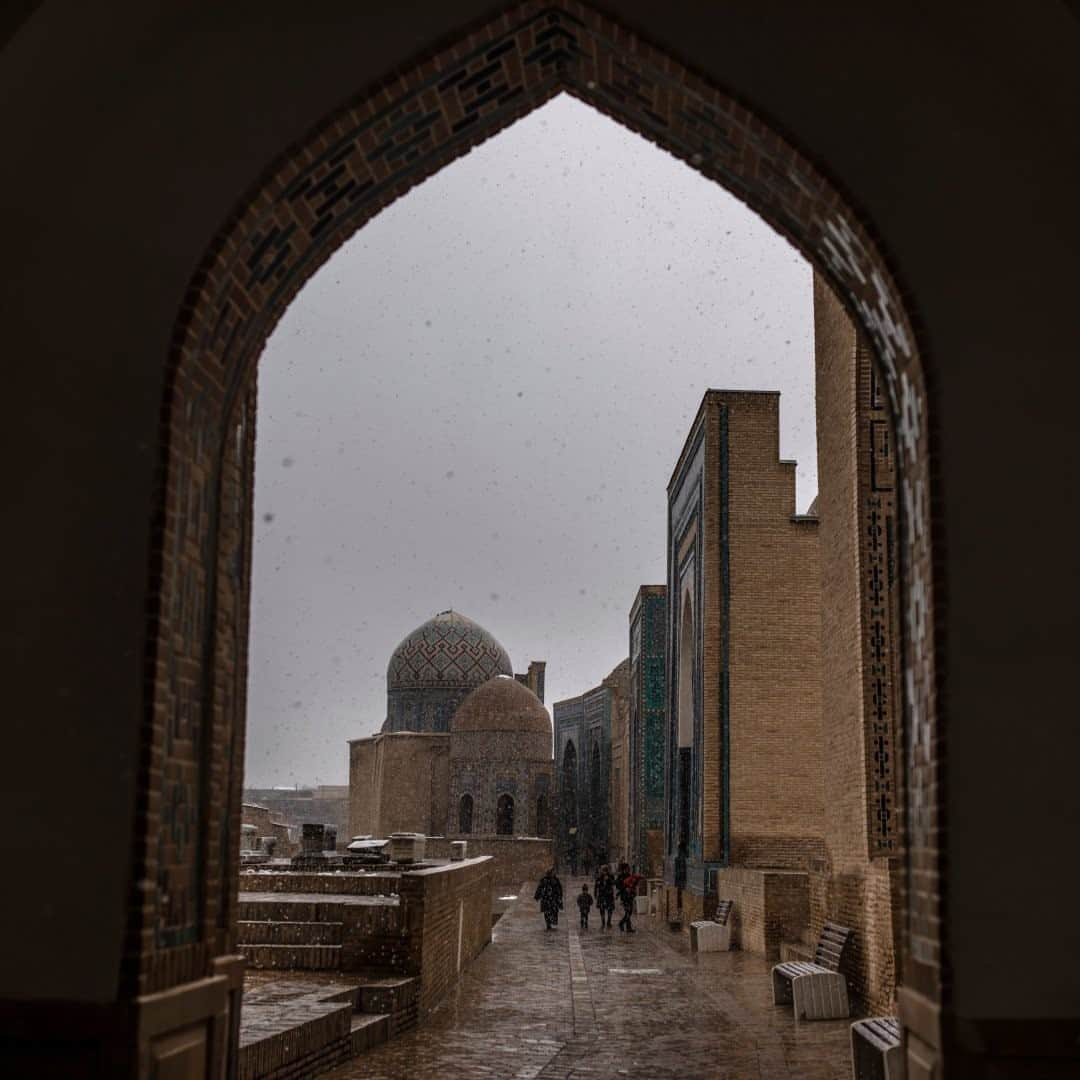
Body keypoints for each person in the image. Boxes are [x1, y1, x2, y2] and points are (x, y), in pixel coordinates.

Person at [617, 861, 642, 933]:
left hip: (630, 896)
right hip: (625, 896)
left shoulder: (629, 875)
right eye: (627, 868)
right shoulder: (621, 876)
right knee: (628, 911)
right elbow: (618, 886)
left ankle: (626, 926)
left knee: (629, 911)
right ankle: (624, 925)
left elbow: (633, 883)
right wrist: (624, 888)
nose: (628, 869)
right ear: (624, 869)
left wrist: (634, 884)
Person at [595, 864, 616, 929]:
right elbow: (596, 886)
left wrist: (608, 879)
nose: (604, 872)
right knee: (602, 909)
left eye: (605, 870)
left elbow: (613, 883)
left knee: (610, 909)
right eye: (603, 870)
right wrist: (595, 893)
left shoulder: (611, 876)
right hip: (602, 895)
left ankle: (609, 922)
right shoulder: (599, 877)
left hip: (609, 895)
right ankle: (603, 922)